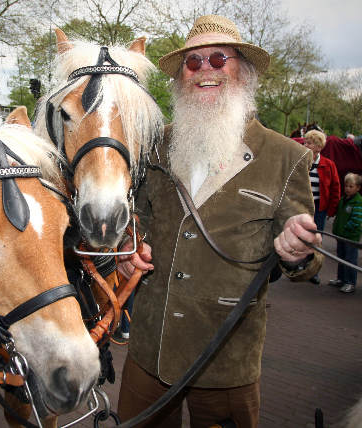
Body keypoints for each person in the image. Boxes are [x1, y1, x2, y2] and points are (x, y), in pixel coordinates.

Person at [116, 15, 323, 428]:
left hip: (227, 361)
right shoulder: (156, 144)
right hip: (149, 351)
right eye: (192, 63)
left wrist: (298, 253)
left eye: (217, 58)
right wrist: (126, 245)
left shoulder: (286, 157)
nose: (204, 70)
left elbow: (307, 263)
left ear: (242, 70)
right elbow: (137, 215)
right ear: (181, 78)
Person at [303, 129, 340, 284]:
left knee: (316, 240)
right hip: (303, 206)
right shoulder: (302, 161)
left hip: (319, 207)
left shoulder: (328, 165)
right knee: (302, 237)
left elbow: (335, 188)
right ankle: (302, 267)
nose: (305, 145)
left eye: (309, 143)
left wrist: (331, 209)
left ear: (318, 147)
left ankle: (314, 271)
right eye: (305, 142)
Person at [327, 173, 362, 293]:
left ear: (358, 188)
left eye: (351, 186)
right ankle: (341, 279)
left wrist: (346, 228)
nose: (347, 188)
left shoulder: (357, 202)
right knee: (341, 257)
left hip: (350, 237)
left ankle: (350, 282)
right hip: (341, 235)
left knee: (350, 259)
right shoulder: (343, 199)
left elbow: (356, 220)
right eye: (346, 186)